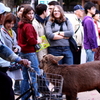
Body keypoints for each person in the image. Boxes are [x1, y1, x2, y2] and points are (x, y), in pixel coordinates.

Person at [18, 6, 42, 100]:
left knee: (24, 76)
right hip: (30, 52)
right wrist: (38, 41)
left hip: (23, 52)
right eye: (29, 13)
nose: (31, 15)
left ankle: (24, 97)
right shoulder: (28, 26)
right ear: (24, 14)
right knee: (35, 74)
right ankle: (36, 95)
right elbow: (31, 40)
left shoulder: (21, 24)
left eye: (32, 13)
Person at [1, 13, 22, 95]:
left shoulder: (13, 32)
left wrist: (17, 48)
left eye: (13, 23)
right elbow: (2, 47)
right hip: (4, 59)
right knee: (7, 81)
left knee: (10, 81)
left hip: (12, 59)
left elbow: (16, 44)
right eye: (9, 23)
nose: (11, 25)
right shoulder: (2, 31)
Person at [12, 5, 24, 95]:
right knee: (16, 68)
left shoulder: (27, 22)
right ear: (18, 12)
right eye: (21, 11)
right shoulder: (14, 22)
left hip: (23, 48)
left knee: (22, 69)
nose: (22, 13)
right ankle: (17, 88)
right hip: (16, 47)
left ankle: (21, 87)